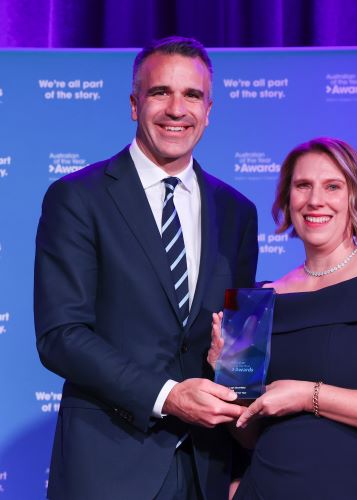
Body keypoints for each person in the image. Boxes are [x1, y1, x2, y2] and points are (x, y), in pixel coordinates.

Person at [34, 36, 258, 500]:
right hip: (109, 465)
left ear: (209, 109)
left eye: (192, 95)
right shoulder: (78, 198)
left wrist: (242, 462)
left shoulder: (237, 210)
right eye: (161, 93)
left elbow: (237, 342)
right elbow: (61, 336)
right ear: (135, 104)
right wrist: (167, 395)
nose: (177, 109)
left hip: (207, 468)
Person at [209, 137, 357, 499]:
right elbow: (248, 432)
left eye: (332, 186)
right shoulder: (256, 301)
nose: (315, 200)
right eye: (302, 185)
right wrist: (225, 377)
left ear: (356, 198)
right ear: (287, 200)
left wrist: (308, 396)